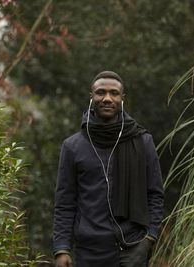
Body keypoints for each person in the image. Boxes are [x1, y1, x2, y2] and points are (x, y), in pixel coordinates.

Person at [53, 71, 164, 267]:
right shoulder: (72, 146)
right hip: (89, 252)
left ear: (122, 99)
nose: (107, 98)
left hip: (133, 248)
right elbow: (65, 202)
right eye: (100, 92)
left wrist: (149, 240)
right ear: (91, 97)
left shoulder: (142, 141)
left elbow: (155, 194)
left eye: (114, 93)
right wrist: (61, 248)